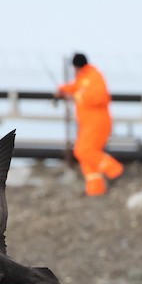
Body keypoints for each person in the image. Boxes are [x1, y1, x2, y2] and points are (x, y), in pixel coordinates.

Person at [55, 52, 124, 197]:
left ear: (76, 67)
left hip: (98, 122)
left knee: (84, 150)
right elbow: (75, 87)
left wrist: (76, 96)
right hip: (88, 124)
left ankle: (114, 170)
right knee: (83, 152)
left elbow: (99, 97)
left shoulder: (94, 76)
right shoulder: (83, 77)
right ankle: (95, 189)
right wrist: (63, 89)